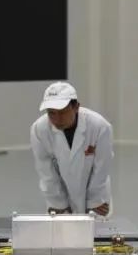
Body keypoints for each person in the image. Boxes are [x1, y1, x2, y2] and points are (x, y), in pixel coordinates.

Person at [30, 82, 113, 216]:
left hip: (97, 196)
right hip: (58, 197)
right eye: (51, 113)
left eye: (63, 112)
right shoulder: (39, 129)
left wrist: (95, 200)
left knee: (96, 228)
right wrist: (57, 202)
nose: (57, 119)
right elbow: (45, 171)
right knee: (61, 229)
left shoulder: (99, 126)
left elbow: (102, 167)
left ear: (76, 107)